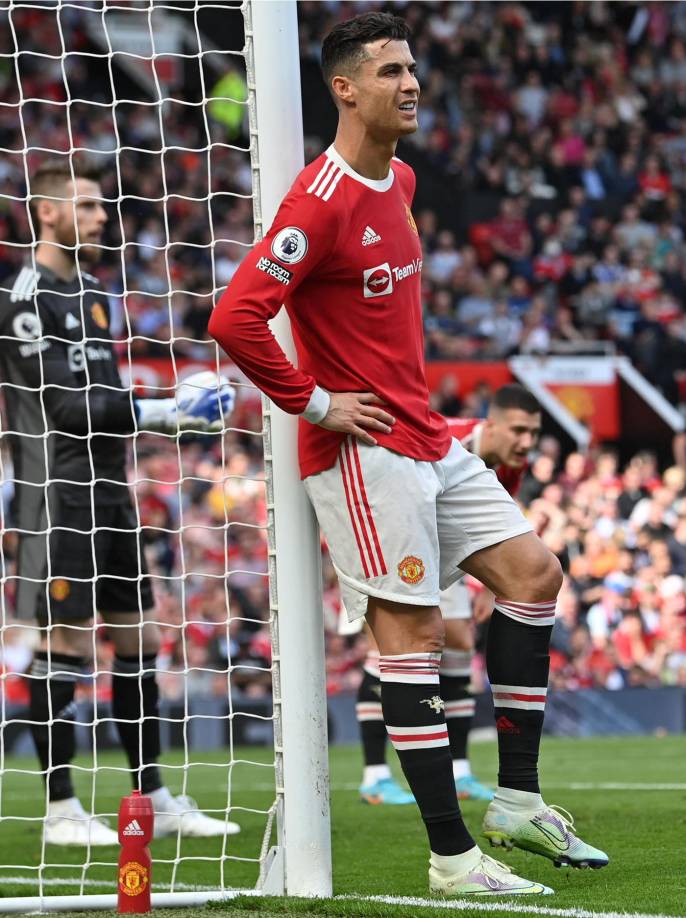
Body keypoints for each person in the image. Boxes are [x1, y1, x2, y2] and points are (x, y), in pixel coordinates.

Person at [209, 12, 607, 897]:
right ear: (345, 89)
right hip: (362, 451)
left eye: (413, 67)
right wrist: (315, 401)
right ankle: (453, 860)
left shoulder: (403, 179)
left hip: (425, 432)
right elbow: (234, 317)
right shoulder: (317, 202)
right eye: (391, 71)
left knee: (534, 573)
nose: (412, 83)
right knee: (415, 637)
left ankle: (516, 800)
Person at [0, 160, 237, 846]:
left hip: (111, 487)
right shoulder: (23, 298)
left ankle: (153, 795)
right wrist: (163, 410)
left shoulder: (96, 292)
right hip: (55, 493)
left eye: (102, 206)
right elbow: (65, 408)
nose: (104, 217)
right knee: (67, 642)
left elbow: (102, 400)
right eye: (88, 206)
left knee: (142, 637)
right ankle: (61, 810)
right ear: (47, 213)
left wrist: (161, 415)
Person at [355, 384, 542, 807]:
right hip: (391, 533)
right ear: (490, 425)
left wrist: (491, 585)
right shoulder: (446, 435)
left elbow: (492, 525)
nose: (527, 442)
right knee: (385, 648)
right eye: (518, 430)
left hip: (441, 542)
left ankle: (459, 770)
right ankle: (374, 775)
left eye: (533, 433)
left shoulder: (511, 466)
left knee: (459, 644)